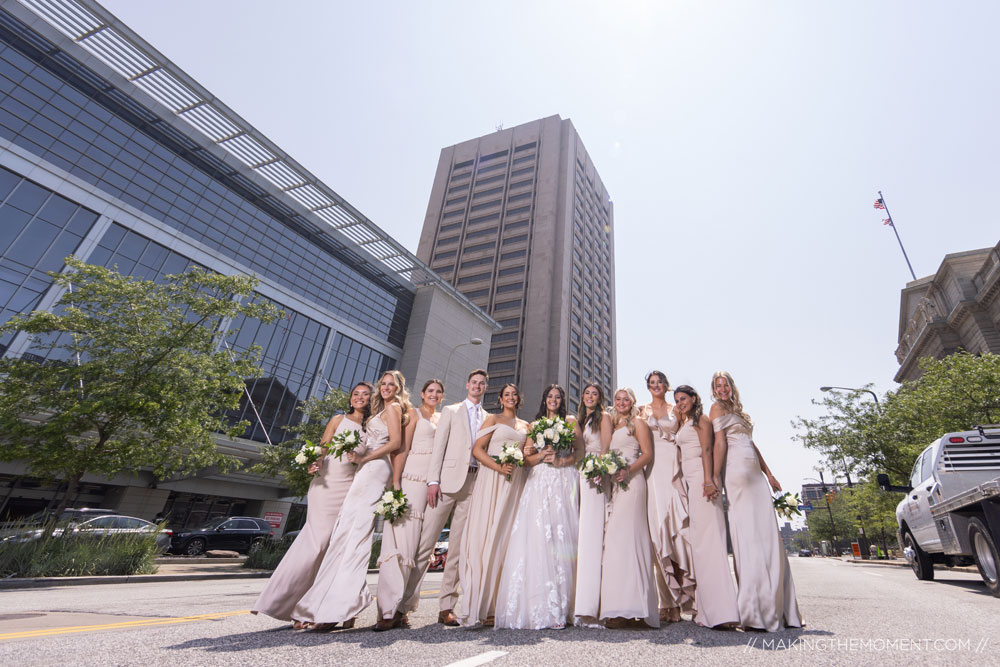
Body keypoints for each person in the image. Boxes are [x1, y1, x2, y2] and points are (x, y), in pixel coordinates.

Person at [292, 371, 412, 630]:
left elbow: (395, 443)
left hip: (375, 468)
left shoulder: (393, 409)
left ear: (399, 388)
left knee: (355, 534)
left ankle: (340, 607)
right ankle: (337, 608)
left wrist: (364, 459)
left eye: (392, 384)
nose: (387, 388)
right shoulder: (378, 412)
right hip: (364, 470)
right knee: (345, 534)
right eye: (384, 384)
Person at [252, 382, 373, 627]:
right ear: (350, 399)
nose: (359, 398)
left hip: (352, 488)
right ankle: (289, 603)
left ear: (371, 400)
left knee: (338, 547)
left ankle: (331, 607)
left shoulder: (372, 427)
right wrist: (315, 462)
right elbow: (324, 446)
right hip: (326, 484)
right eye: (355, 394)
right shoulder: (338, 420)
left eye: (365, 394)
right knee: (316, 544)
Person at [710, 371, 803, 632]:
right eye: (718, 385)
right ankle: (753, 610)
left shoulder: (740, 413)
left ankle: (779, 608)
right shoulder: (716, 409)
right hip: (736, 472)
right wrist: (715, 477)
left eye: (725, 384)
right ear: (714, 390)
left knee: (768, 535)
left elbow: (752, 444)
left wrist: (769, 473)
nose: (722, 389)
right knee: (748, 536)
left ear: (731, 387)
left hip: (755, 474)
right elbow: (719, 444)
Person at [495, 384, 581, 630]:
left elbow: (580, 451)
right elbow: (526, 459)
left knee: (563, 535)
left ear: (561, 401)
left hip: (563, 478)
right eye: (549, 397)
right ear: (544, 400)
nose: (553, 400)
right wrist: (543, 456)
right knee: (539, 537)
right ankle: (541, 604)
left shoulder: (571, 421)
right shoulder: (535, 426)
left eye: (557, 397)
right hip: (540, 480)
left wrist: (561, 459)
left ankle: (567, 606)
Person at [418, 369, 489, 626]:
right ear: (467, 384)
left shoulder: (488, 417)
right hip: (446, 484)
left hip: (473, 483)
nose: (478, 386)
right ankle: (402, 604)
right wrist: (433, 481)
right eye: (474, 382)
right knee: (425, 542)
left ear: (485, 388)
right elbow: (439, 446)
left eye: (482, 384)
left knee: (457, 549)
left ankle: (446, 606)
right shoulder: (451, 411)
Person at [374, 378, 444, 631]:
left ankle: (404, 607)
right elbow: (401, 449)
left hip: (434, 485)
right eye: (430, 391)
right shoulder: (412, 414)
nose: (434, 395)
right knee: (402, 545)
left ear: (442, 397)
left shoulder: (441, 419)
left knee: (422, 551)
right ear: (423, 394)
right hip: (411, 479)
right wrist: (396, 482)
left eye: (438, 392)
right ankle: (388, 610)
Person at [459, 383, 529, 627]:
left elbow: (528, 456)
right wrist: (499, 466)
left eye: (514, 394)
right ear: (501, 399)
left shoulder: (526, 426)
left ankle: (500, 604)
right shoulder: (492, 419)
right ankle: (482, 604)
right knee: (487, 533)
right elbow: (477, 450)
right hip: (493, 478)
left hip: (515, 482)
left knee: (507, 539)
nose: (511, 397)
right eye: (506, 394)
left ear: (519, 399)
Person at [673, 385, 739, 628]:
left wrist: (710, 479)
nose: (680, 402)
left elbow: (708, 449)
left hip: (703, 479)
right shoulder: (684, 421)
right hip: (691, 482)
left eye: (684, 398)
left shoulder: (701, 419)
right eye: (677, 400)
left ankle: (723, 612)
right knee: (700, 545)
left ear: (694, 398)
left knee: (710, 542)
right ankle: (706, 608)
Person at [601, 388, 658, 629]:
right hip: (617, 484)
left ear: (632, 402)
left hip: (633, 484)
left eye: (626, 399)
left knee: (631, 541)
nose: (622, 402)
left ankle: (636, 608)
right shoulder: (613, 425)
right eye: (618, 399)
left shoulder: (638, 423)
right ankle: (621, 607)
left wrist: (628, 471)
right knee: (616, 542)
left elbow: (647, 454)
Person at [640, 370, 695, 623]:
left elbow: (689, 435)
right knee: (657, 535)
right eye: (652, 383)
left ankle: (689, 596)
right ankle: (667, 602)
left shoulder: (678, 409)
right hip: (652, 473)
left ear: (666, 385)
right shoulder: (642, 411)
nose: (656, 386)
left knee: (679, 533)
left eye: (659, 382)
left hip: (674, 470)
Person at [573, 382, 612, 627]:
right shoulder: (579, 420)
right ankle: (581, 601)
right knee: (583, 533)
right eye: (587, 393)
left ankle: (594, 604)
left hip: (596, 473)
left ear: (600, 399)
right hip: (580, 473)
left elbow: (606, 448)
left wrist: (600, 469)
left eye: (594, 394)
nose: (590, 396)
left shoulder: (604, 418)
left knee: (594, 532)